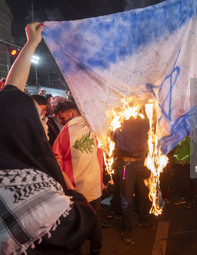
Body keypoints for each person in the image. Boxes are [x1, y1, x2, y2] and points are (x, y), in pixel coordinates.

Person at [0, 22, 95, 255]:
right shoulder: (37, 206)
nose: (47, 122)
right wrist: (52, 165)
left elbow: (9, 99)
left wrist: (32, 43)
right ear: (25, 130)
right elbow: (82, 216)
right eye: (40, 118)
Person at [52, 100, 104, 255]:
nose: (61, 122)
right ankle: (96, 251)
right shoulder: (95, 125)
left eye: (62, 118)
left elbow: (55, 159)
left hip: (76, 191)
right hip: (94, 187)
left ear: (72, 113)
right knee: (95, 224)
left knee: (76, 227)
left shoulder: (67, 130)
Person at [113, 109, 152, 245]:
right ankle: (127, 229)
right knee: (126, 199)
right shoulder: (119, 119)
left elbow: (149, 137)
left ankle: (144, 218)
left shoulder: (144, 120)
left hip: (142, 163)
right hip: (126, 166)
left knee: (145, 193)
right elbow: (114, 143)